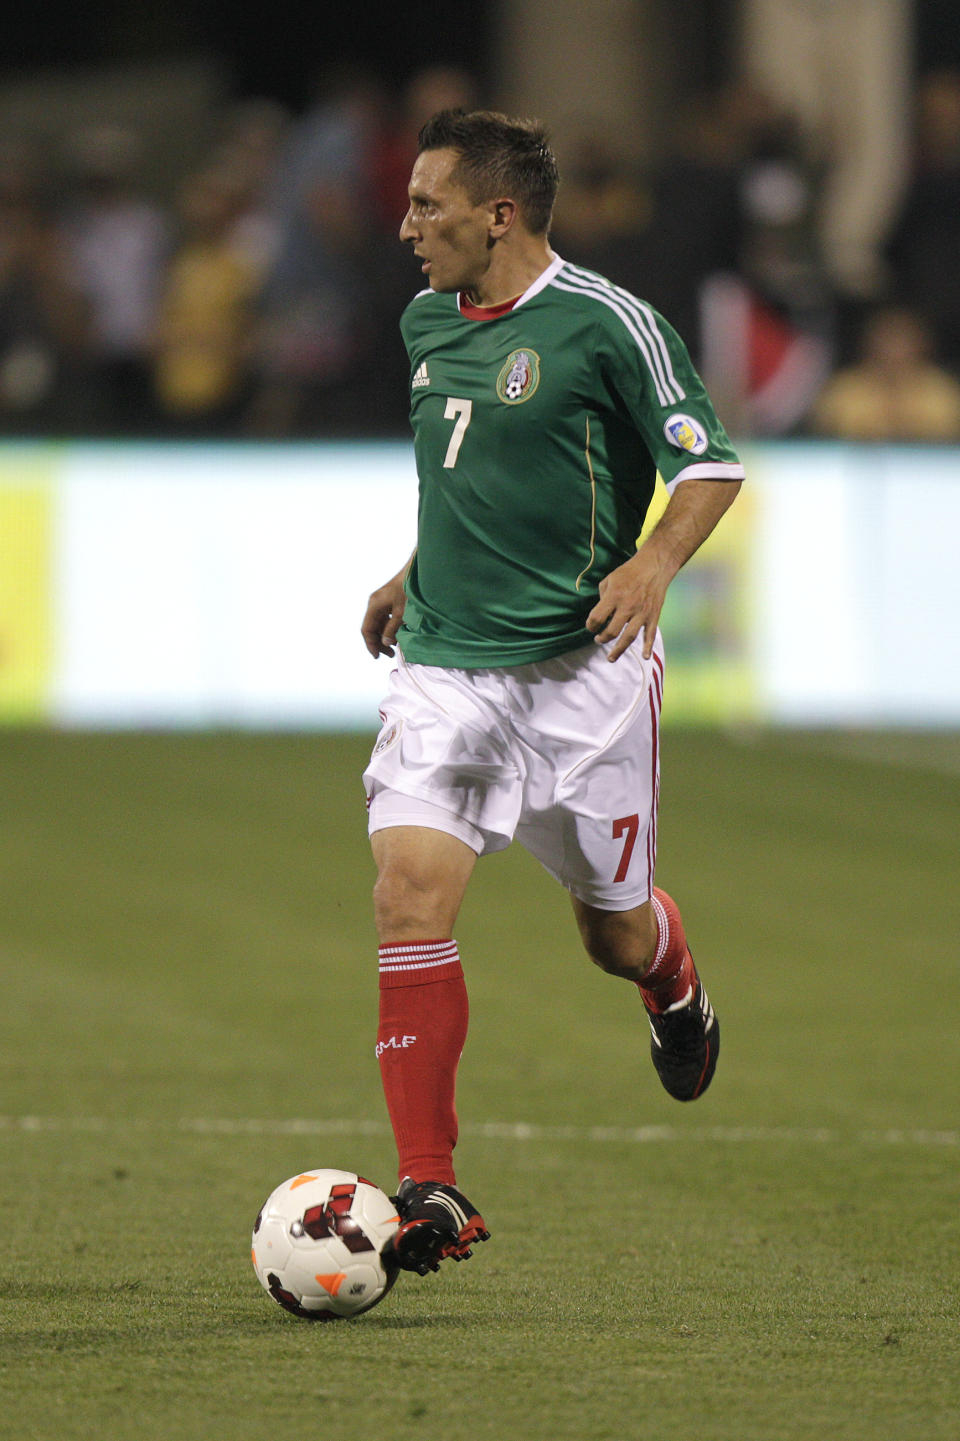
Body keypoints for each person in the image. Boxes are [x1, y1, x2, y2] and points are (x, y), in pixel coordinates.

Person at [360, 110, 744, 1277]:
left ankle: (672, 977)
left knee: (611, 935)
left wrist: (656, 560)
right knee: (409, 892)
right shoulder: (427, 321)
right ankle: (428, 1180)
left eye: (428, 205)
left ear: (499, 214)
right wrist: (413, 570)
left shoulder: (607, 326)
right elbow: (465, 473)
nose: (408, 225)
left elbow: (709, 459)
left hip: (582, 679)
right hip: (446, 668)